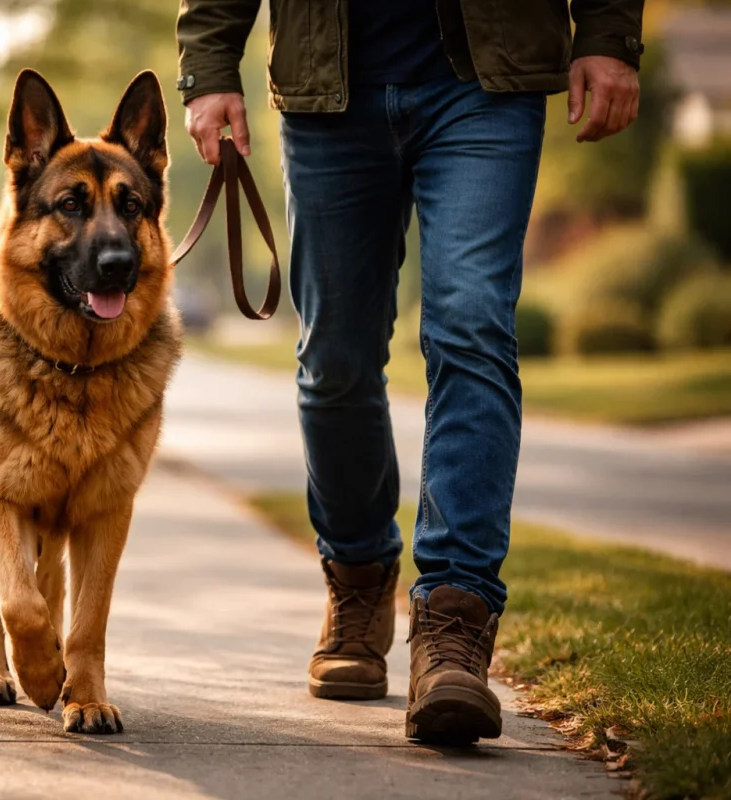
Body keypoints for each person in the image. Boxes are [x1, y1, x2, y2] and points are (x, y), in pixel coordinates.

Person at [176, 0, 643, 743]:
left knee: (472, 328)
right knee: (334, 360)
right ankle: (358, 579)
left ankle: (454, 624)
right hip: (328, 87)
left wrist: (609, 35)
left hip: (483, 83)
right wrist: (209, 67)